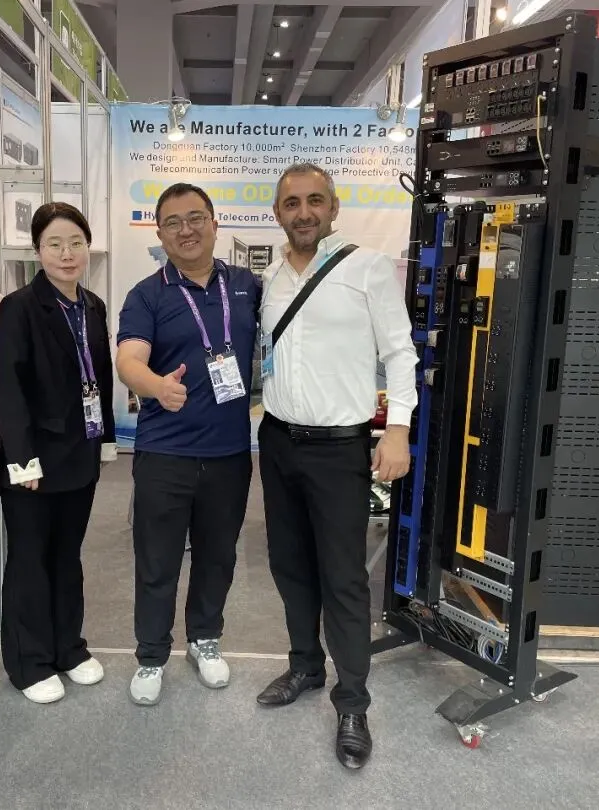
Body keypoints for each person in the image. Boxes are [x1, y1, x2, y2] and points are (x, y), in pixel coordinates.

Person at [255, 163, 418, 770]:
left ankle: (353, 704)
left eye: (315, 200)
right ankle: (305, 666)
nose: (304, 212)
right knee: (289, 564)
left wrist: (397, 429)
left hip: (339, 448)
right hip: (277, 441)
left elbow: (400, 353)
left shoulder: (367, 268)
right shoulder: (270, 277)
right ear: (278, 212)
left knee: (344, 579)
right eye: (292, 202)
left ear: (333, 206)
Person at [116, 183, 260, 706]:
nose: (186, 230)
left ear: (214, 224)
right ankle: (152, 655)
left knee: (218, 557)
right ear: (160, 234)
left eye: (196, 218)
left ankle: (204, 639)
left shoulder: (246, 285)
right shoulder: (147, 294)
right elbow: (128, 359)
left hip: (229, 454)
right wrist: (156, 386)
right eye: (173, 222)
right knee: (157, 560)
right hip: (166, 453)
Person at [0, 203, 116, 703]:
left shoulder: (93, 306)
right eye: (54, 244)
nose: (67, 254)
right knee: (30, 559)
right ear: (37, 251)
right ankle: (29, 662)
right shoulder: (19, 307)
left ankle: (69, 647)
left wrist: (105, 439)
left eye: (76, 243)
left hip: (79, 453)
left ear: (88, 247)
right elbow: (9, 389)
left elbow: (100, 377)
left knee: (67, 555)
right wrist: (22, 460)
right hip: (34, 460)